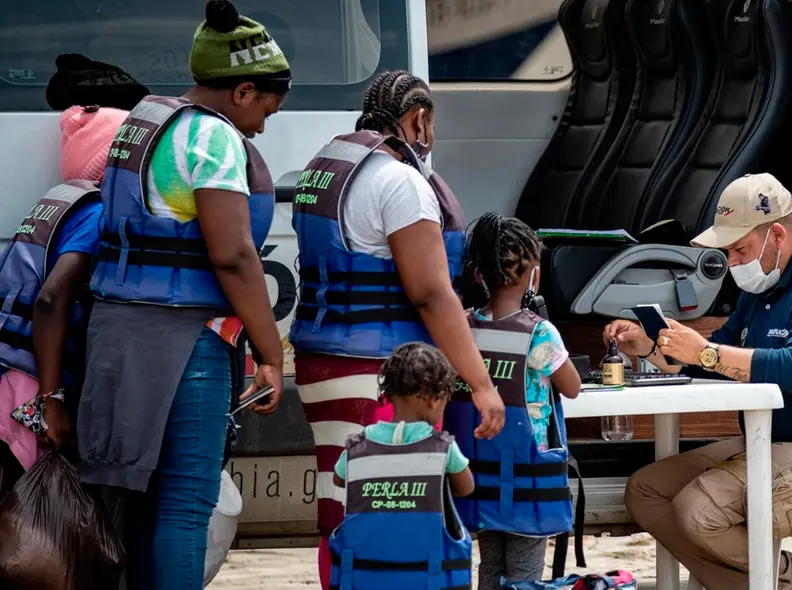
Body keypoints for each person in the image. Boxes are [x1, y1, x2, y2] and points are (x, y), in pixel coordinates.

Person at [73, 0, 291, 587]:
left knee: (133, 495)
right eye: (268, 107)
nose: (264, 124)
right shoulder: (212, 141)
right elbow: (234, 255)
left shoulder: (145, 121)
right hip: (183, 340)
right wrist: (270, 353)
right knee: (186, 498)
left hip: (116, 330)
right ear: (243, 90)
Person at [605, 173, 792, 590]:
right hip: (773, 439)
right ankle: (790, 579)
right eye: (729, 251)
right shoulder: (763, 288)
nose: (733, 262)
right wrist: (653, 347)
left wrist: (703, 351)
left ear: (776, 235)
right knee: (646, 491)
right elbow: (716, 353)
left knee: (699, 513)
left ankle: (790, 577)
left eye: (740, 249)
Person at [289, 69, 505, 586]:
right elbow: (431, 293)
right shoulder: (401, 181)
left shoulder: (326, 166)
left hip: (321, 360)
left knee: (338, 501)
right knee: (381, 513)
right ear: (418, 119)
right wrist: (480, 383)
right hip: (374, 368)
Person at [443, 213, 582, 590]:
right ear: (532, 274)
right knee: (524, 577)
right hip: (528, 480)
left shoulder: (463, 329)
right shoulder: (540, 333)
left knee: (490, 567)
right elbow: (572, 386)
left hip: (481, 474)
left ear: (478, 276)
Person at [0, 104, 129, 500]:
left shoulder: (57, 204)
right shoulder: (96, 215)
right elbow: (50, 299)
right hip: (29, 387)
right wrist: (51, 401)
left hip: (10, 372)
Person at [329, 342, 474, 589]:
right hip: (428, 578)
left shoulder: (356, 448)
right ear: (432, 398)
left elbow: (339, 479)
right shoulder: (443, 449)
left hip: (366, 578)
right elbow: (466, 487)